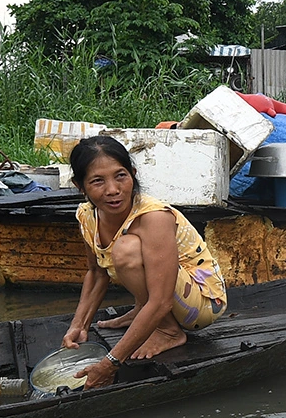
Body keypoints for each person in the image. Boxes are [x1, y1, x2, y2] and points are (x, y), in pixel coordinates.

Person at [62, 134, 228, 388]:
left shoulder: (153, 217)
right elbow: (97, 273)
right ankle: (143, 311)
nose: (113, 190)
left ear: (133, 174)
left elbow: (161, 301)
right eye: (98, 181)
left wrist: (110, 363)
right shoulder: (86, 215)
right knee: (123, 252)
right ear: (80, 186)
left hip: (204, 302)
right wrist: (79, 325)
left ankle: (168, 331)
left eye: (121, 176)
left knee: (126, 249)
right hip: (163, 295)